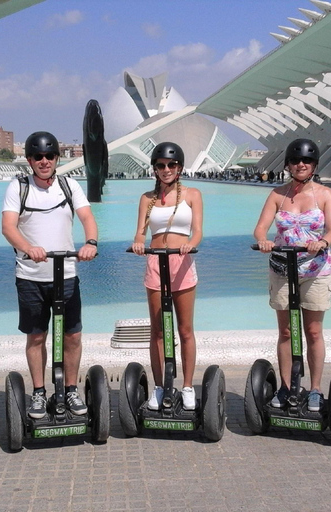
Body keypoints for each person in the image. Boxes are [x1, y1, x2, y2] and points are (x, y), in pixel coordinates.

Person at [2, 131, 98, 419]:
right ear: (29, 160)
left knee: (73, 335)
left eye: (49, 156)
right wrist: (28, 248)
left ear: (57, 158)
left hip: (66, 274)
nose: (44, 161)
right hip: (31, 276)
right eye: (38, 157)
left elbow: (87, 217)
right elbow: (8, 227)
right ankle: (39, 392)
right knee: (36, 338)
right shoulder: (19, 187)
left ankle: (70, 389)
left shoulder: (69, 185)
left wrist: (90, 243)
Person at [253, 138, 331, 413]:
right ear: (288, 164)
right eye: (295, 160)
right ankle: (287, 386)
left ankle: (315, 389)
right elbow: (260, 228)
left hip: (316, 270)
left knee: (313, 331)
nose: (301, 164)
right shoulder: (277, 195)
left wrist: (322, 242)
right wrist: (264, 241)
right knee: (286, 331)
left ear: (315, 165)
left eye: (307, 161)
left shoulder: (325, 194)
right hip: (282, 268)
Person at [131, 142, 203, 411]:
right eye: (161, 165)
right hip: (155, 263)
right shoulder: (146, 198)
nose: (166, 169)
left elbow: (197, 231)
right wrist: (139, 243)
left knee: (185, 329)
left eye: (172, 165)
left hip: (182, 264)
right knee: (159, 330)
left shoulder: (193, 194)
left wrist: (190, 244)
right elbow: (140, 232)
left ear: (180, 167)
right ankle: (160, 386)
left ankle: (187, 386)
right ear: (155, 169)